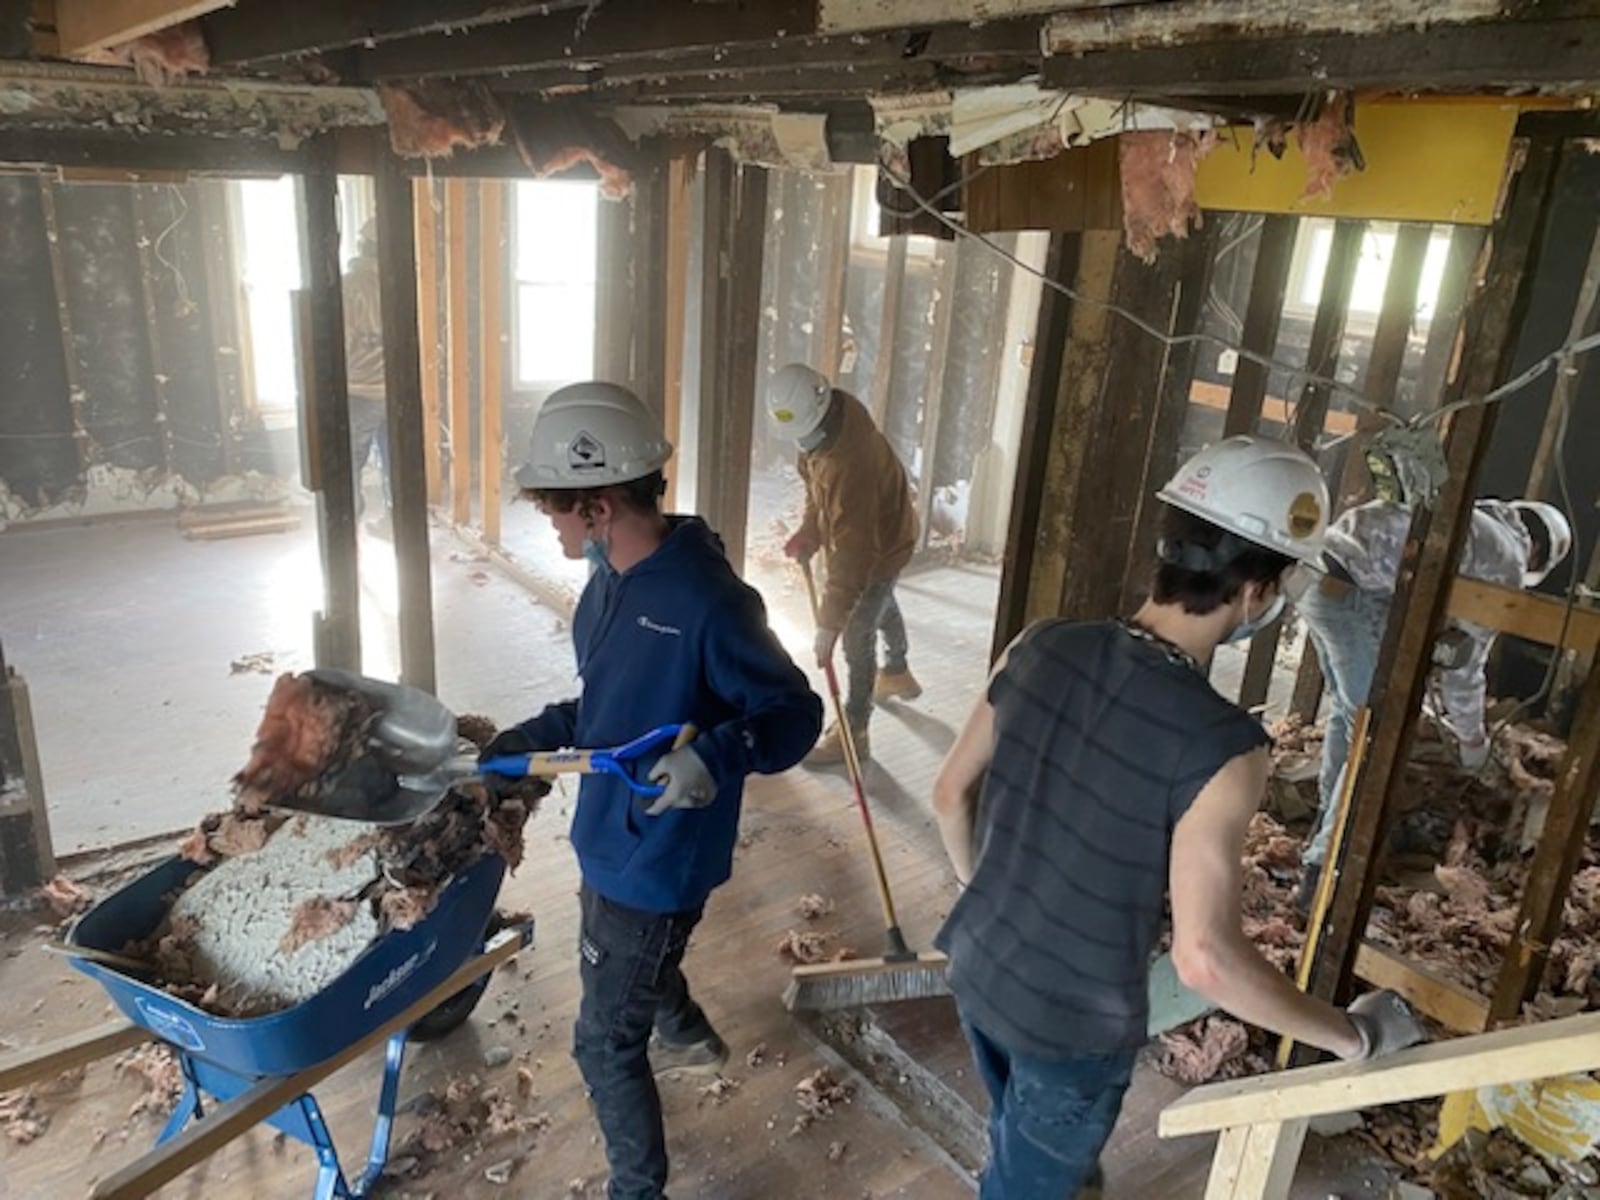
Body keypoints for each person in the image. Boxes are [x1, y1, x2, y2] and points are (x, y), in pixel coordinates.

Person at [931, 435, 1425, 1199]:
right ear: (1257, 592)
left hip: (978, 965)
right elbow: (1204, 961)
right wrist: (1351, 1036)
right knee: (1023, 1175)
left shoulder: (1040, 644)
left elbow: (948, 795)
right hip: (1072, 1028)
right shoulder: (1223, 748)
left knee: (1021, 1130)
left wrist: (993, 900)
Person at [481, 382, 822, 1200]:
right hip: (609, 836)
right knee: (627, 961)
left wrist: (719, 753)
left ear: (598, 505)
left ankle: (637, 1191)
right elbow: (605, 703)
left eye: (556, 510)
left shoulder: (706, 601)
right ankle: (686, 1028)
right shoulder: (606, 584)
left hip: (661, 858)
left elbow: (794, 712)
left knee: (602, 1043)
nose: (550, 524)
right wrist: (537, 734)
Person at [1294, 494, 1572, 908]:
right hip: (1353, 592)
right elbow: (1464, 668)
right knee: (1376, 734)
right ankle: (1322, 876)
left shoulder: (1474, 523)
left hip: (1314, 574)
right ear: (1536, 550)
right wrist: (1473, 745)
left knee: (1349, 715)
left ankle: (1325, 821)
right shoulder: (1507, 557)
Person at [766, 363, 920, 765]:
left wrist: (830, 623)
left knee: (857, 631)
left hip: (882, 545)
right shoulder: (819, 436)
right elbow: (819, 495)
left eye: (805, 435)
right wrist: (809, 532)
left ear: (822, 410)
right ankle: (899, 668)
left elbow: (855, 554)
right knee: (876, 602)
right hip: (875, 538)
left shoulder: (854, 464)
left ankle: (856, 730)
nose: (802, 444)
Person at [343, 218, 391, 536]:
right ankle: (396, 522)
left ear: (362, 245)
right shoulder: (400, 282)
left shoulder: (349, 286)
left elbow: (342, 341)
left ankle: (350, 530)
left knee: (351, 466)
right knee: (396, 463)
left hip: (360, 389)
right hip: (397, 391)